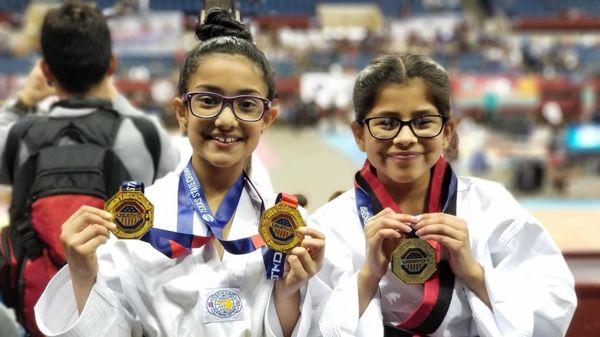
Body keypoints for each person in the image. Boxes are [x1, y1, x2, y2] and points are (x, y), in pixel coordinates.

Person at [34, 8, 325, 337]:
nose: (226, 119)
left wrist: (289, 293)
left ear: (267, 118)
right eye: (207, 100)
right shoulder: (134, 221)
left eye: (246, 104)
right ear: (181, 112)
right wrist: (84, 274)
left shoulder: (290, 227)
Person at [311, 53, 576, 336]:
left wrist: (474, 272)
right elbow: (308, 324)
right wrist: (368, 276)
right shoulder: (329, 225)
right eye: (386, 123)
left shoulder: (492, 206)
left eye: (423, 121)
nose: (404, 138)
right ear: (359, 135)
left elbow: (553, 309)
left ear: (447, 131)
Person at [0, 4, 179, 186]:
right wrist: (114, 95)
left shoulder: (20, 140)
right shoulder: (146, 136)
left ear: (46, 71)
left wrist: (23, 101)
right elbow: (180, 179)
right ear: (111, 65)